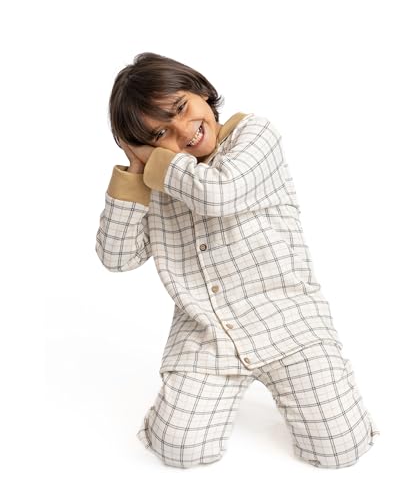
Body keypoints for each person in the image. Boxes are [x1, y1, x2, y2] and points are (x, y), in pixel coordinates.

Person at [95, 52, 381, 469]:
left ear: (202, 92)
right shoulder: (157, 181)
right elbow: (117, 257)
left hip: (288, 321)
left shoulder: (254, 135)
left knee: (339, 449)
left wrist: (156, 160)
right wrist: (135, 174)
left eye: (181, 108)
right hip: (206, 333)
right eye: (160, 133)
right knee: (178, 449)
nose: (183, 131)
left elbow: (219, 194)